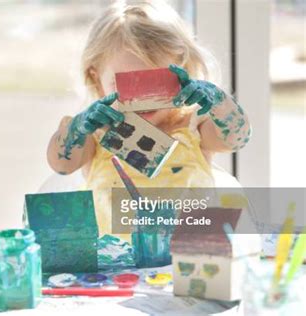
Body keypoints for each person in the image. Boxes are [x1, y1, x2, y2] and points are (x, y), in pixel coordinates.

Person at [46, 1, 251, 238]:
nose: (145, 99)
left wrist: (218, 101)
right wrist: (77, 129)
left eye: (157, 82)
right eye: (127, 84)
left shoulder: (195, 127)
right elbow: (61, 165)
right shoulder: (95, 133)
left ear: (182, 69)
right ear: (96, 78)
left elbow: (238, 138)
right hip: (116, 270)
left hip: (186, 263)